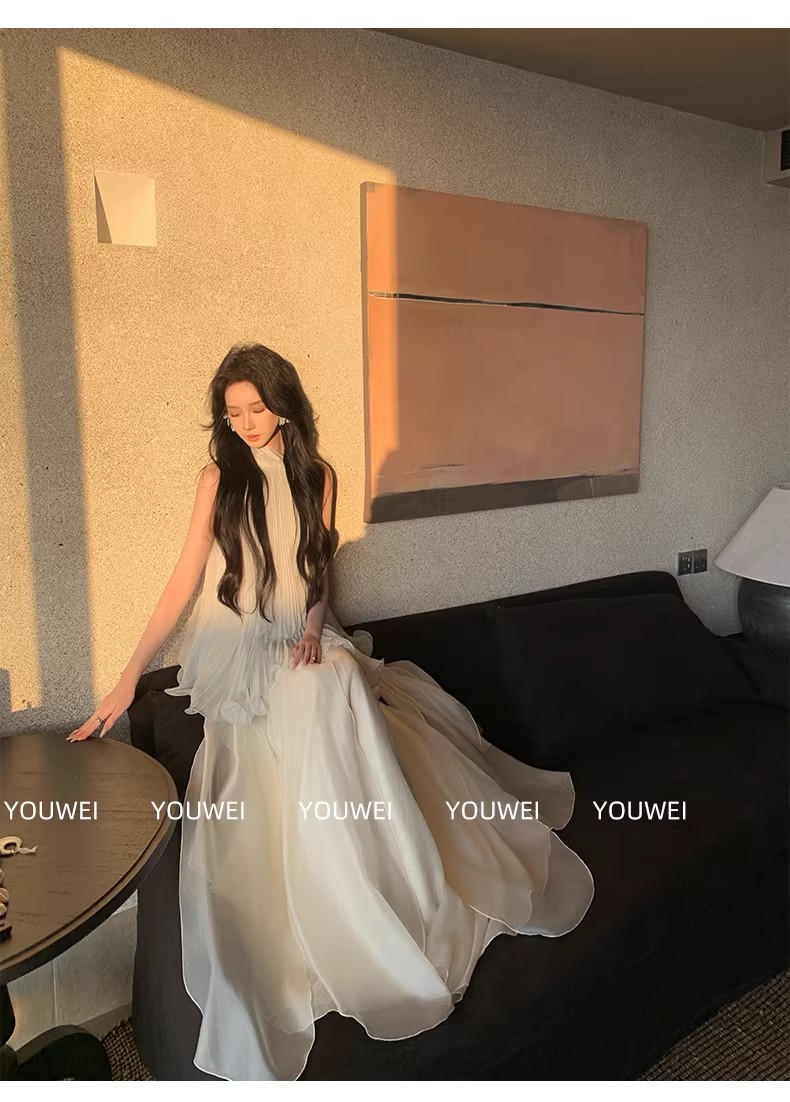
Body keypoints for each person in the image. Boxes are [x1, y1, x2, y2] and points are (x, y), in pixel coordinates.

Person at [67, 343, 594, 1081]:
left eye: (257, 408)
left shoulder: (318, 475)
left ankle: (397, 889)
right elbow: (185, 576)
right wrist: (127, 679)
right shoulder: (219, 478)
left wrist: (315, 628)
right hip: (239, 648)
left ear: (283, 403)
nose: (246, 424)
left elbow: (316, 570)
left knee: (335, 679)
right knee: (320, 692)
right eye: (232, 413)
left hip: (304, 634)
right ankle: (349, 907)